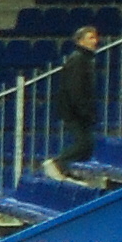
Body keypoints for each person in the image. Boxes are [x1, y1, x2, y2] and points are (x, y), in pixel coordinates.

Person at [47, 25, 104, 178]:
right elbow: (76, 88)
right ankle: (59, 162)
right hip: (75, 111)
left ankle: (67, 169)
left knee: (87, 145)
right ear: (80, 41)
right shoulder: (79, 60)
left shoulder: (83, 59)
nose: (95, 41)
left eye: (95, 37)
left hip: (77, 109)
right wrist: (84, 111)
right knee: (84, 144)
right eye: (90, 38)